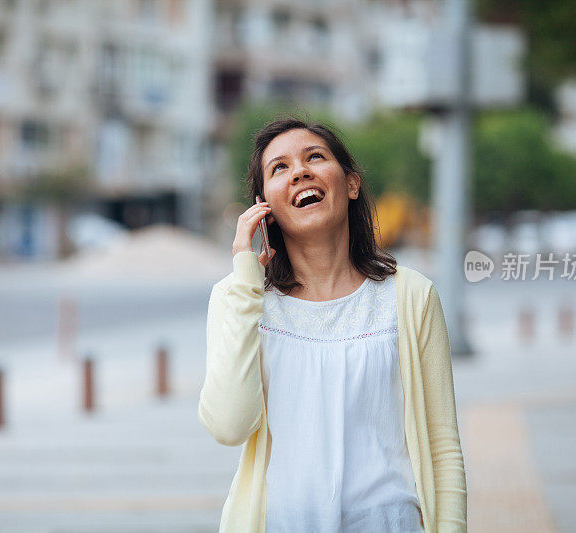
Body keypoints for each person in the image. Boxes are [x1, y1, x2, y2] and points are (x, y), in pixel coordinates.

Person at [198, 117, 467, 532]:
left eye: (315, 157)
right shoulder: (237, 299)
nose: (300, 172)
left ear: (351, 184)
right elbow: (230, 426)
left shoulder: (411, 296)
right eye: (279, 168)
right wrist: (245, 280)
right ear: (262, 205)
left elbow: (443, 447)